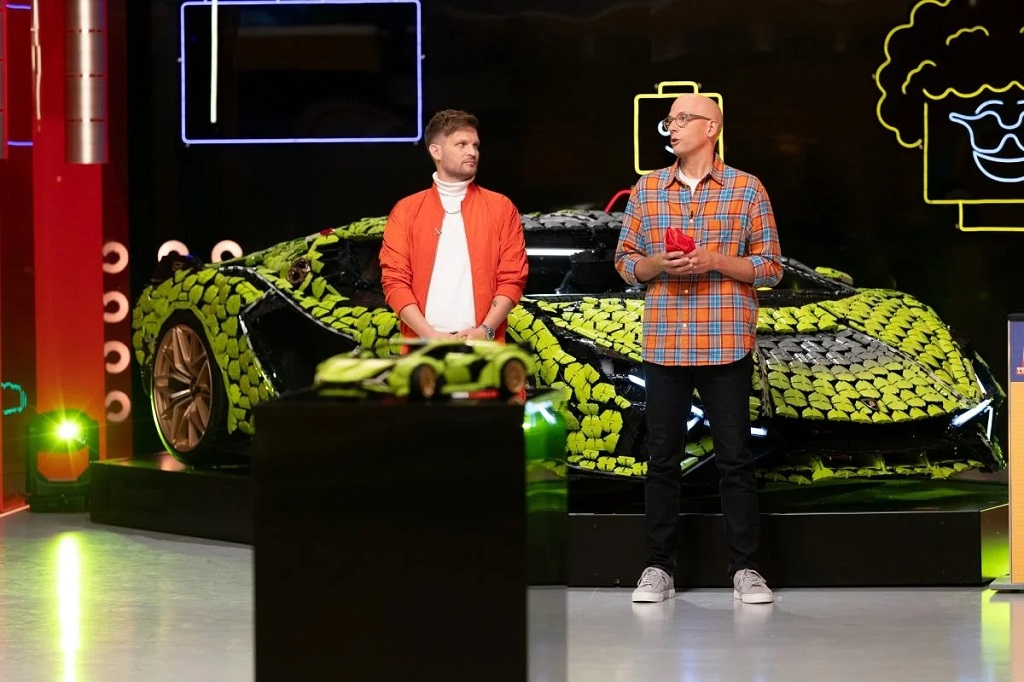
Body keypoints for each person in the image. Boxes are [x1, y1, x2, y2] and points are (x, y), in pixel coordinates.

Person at [614, 94, 783, 605]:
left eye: (681, 118)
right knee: (661, 461)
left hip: (725, 341)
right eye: (668, 120)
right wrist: (657, 265)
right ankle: (657, 568)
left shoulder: (747, 188)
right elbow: (626, 262)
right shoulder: (647, 189)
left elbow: (770, 267)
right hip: (665, 343)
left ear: (711, 128)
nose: (671, 127)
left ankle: (746, 569)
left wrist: (715, 260)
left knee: (735, 460)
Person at [379, 109, 528, 343]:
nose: (472, 152)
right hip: (423, 347)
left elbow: (513, 278)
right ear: (436, 151)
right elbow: (394, 281)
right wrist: (429, 335)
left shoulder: (501, 207)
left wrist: (484, 331)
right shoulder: (406, 210)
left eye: (475, 145)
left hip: (484, 346)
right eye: (462, 144)